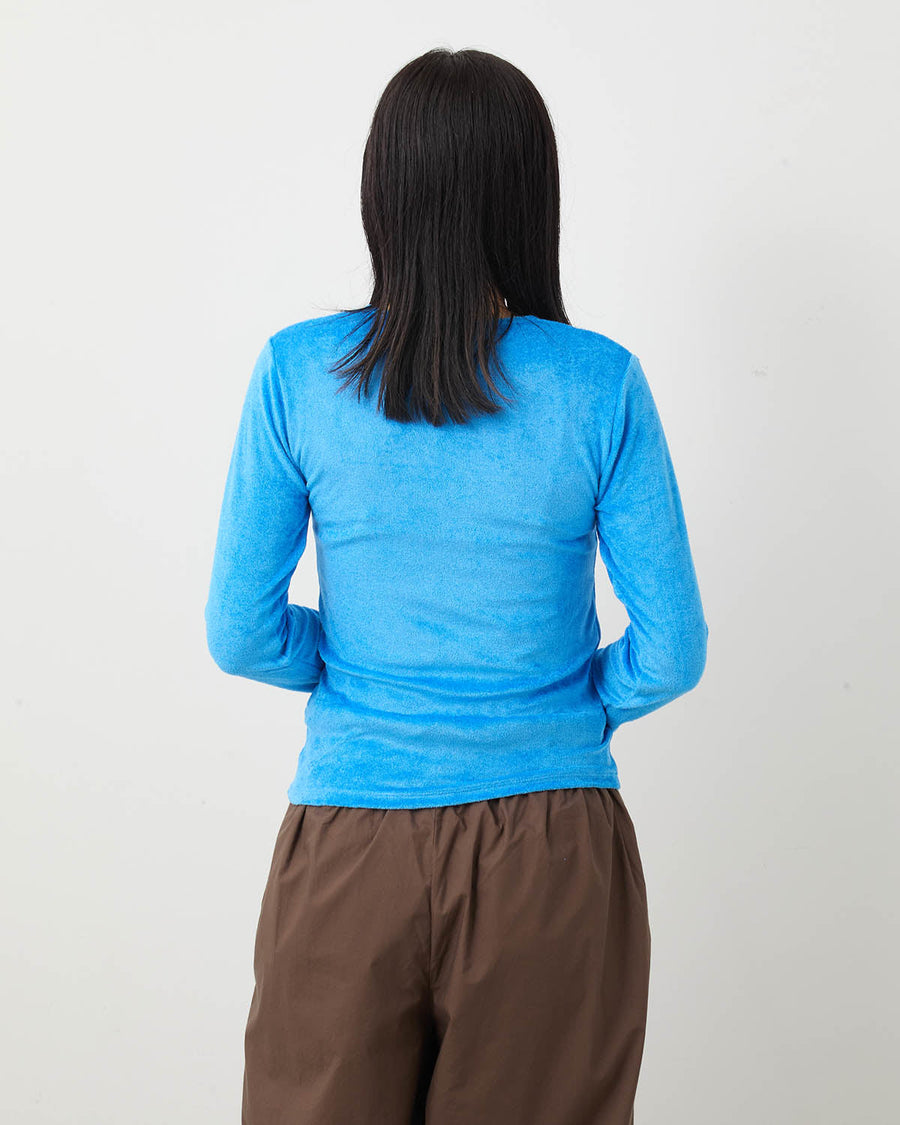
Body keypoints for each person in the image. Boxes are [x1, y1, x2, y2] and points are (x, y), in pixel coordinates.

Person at [204, 46, 708, 1125]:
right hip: (554, 848)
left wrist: (340, 661)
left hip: (350, 843)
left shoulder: (298, 372)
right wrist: (566, 708)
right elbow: (673, 649)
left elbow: (239, 632)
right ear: (532, 193)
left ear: (383, 191)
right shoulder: (599, 381)